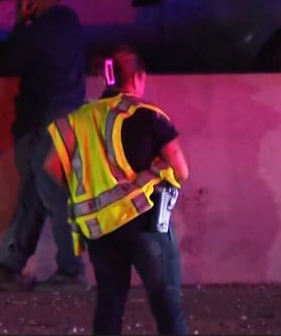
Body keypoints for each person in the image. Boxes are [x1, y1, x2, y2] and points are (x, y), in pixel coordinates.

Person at [44, 45, 190, 335]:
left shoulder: (78, 120)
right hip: (145, 222)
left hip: (100, 228)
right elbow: (182, 171)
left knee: (110, 303)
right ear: (137, 78)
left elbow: (52, 167)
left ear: (106, 77)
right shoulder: (147, 114)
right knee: (166, 304)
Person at [0, 0, 87, 291]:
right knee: (35, 196)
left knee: (51, 194)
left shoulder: (40, 29)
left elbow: (12, 60)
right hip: (66, 118)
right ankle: (14, 265)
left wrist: (20, 22)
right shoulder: (72, 24)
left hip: (46, 120)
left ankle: (71, 271)